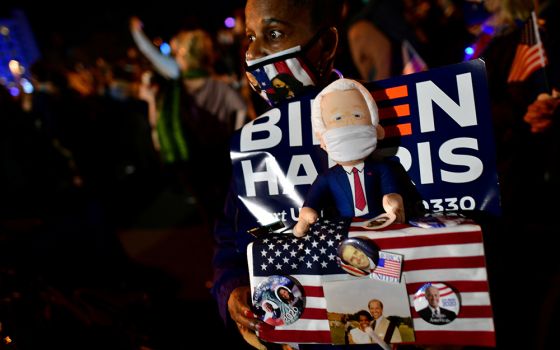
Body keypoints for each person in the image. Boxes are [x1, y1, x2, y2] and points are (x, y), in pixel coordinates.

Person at [211, 1, 346, 349]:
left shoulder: (383, 120)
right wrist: (232, 289)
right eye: (251, 36)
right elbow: (230, 236)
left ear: (327, 44)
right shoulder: (255, 142)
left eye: (274, 34)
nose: (253, 52)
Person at [293, 78, 406, 237]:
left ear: (377, 130)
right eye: (338, 118)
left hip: (380, 226)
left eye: (357, 115)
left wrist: (393, 201)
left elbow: (390, 190)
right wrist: (306, 214)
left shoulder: (381, 168)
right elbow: (313, 199)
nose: (348, 124)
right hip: (344, 230)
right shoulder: (328, 177)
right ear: (323, 142)